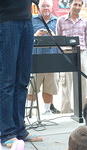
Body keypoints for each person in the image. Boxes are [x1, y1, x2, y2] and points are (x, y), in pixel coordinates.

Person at [0, 0, 43, 148]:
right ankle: (6, 133)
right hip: (7, 21)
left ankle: (19, 130)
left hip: (26, 20)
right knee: (7, 81)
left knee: (22, 81)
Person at [27, 0, 60, 115]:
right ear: (38, 7)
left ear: (51, 8)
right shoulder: (31, 19)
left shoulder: (57, 21)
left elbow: (61, 38)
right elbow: (25, 37)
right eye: (43, 6)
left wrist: (53, 35)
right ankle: (29, 112)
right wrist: (35, 35)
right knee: (32, 88)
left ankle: (47, 111)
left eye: (48, 6)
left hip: (52, 59)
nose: (46, 8)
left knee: (49, 87)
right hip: (35, 58)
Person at [56, 0, 87, 113]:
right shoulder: (61, 20)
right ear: (69, 5)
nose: (77, 7)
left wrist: (83, 51)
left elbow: (86, 39)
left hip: (81, 53)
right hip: (67, 53)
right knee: (66, 82)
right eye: (75, 4)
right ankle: (65, 110)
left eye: (80, 5)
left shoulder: (85, 21)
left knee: (83, 81)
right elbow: (58, 38)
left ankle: (83, 108)